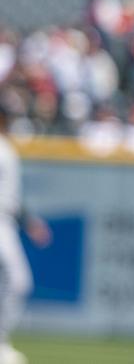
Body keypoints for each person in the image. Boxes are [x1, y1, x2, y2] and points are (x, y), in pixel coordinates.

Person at [0, 109, 52, 364]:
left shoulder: (6, 149)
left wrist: (29, 222)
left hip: (5, 222)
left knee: (19, 282)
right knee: (18, 281)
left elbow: (10, 198)